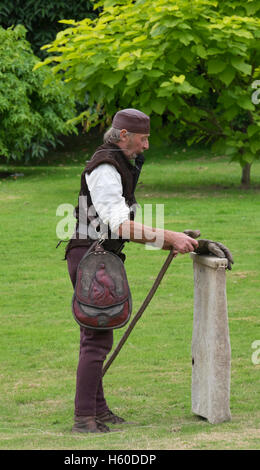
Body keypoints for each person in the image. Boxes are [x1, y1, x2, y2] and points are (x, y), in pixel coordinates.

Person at [64, 108, 233, 433]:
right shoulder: (105, 167)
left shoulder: (118, 163)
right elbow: (120, 225)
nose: (146, 146)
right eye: (143, 139)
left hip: (98, 256)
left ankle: (97, 410)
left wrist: (185, 242)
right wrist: (168, 238)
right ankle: (84, 418)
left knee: (96, 337)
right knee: (96, 340)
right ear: (124, 136)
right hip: (90, 257)